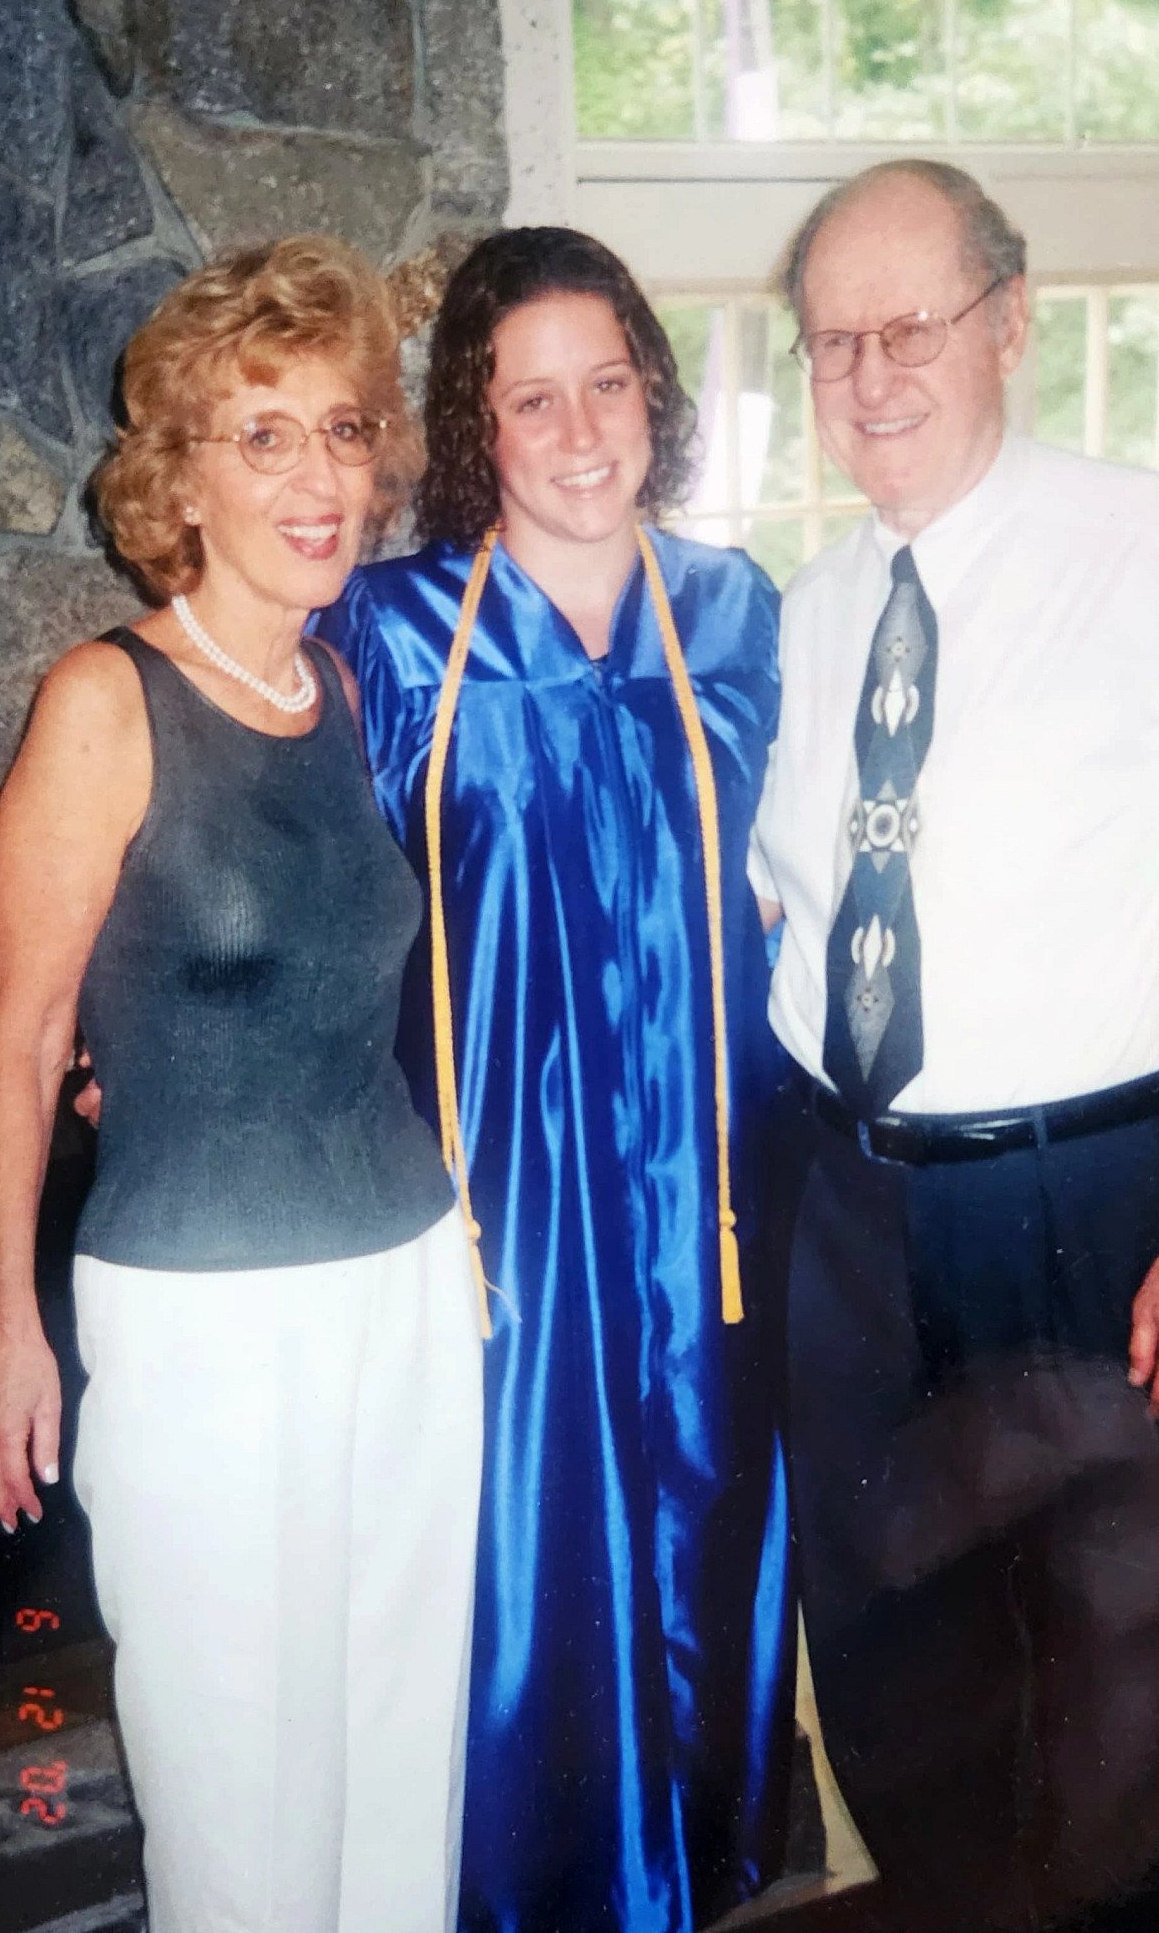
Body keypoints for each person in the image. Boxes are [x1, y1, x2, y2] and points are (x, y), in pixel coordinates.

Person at [748, 160, 1159, 1828]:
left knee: (1115, 1688)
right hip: (848, 1216)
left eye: (907, 328)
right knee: (891, 1669)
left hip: (1080, 1205)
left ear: (1008, 324)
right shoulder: (806, 616)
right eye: (828, 343)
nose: (866, 379)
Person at [0, 237, 483, 1933]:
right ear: (179, 473)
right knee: (235, 1793)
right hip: (201, 1322)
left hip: (405, 1287)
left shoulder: (341, 688)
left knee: (402, 1763)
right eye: (262, 436)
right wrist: (6, 1324)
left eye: (340, 430)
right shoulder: (101, 703)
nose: (319, 476)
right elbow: (32, 1046)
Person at [314, 226, 794, 1933]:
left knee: (702, 1525)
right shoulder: (388, 631)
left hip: (710, 1205)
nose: (581, 429)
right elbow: (302, 897)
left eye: (609, 384)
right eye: (534, 398)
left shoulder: (739, 616)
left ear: (653, 398)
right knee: (519, 1567)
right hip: (494, 1216)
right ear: (478, 426)